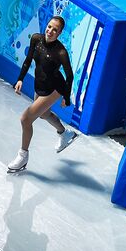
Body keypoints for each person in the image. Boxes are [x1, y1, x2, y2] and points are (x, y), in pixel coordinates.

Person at [7, 16, 77, 173]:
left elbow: (70, 76)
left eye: (55, 30)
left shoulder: (61, 52)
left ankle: (23, 156)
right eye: (49, 26)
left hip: (54, 88)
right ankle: (65, 133)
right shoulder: (36, 39)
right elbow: (28, 60)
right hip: (40, 86)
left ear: (59, 33)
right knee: (44, 114)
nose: (50, 31)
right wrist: (20, 79)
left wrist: (66, 98)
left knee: (25, 119)